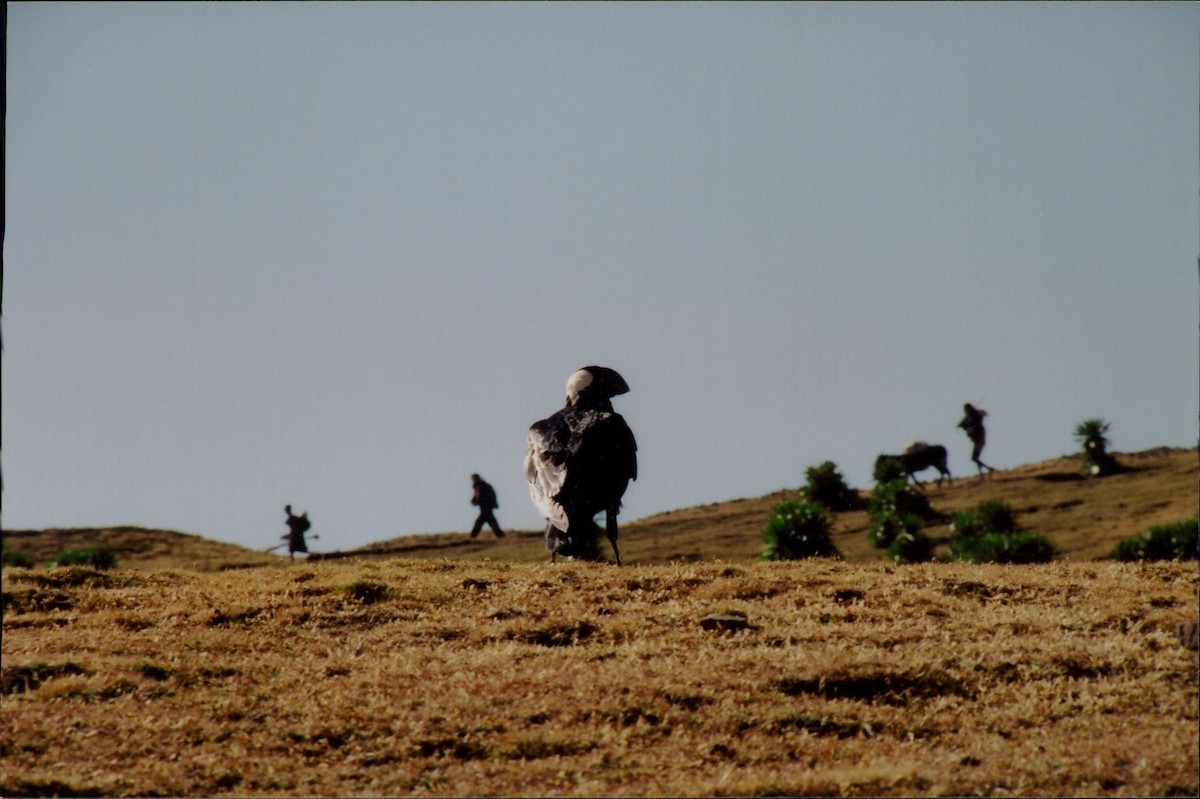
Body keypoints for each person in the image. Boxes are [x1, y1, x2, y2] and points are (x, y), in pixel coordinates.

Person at [957, 403, 996, 477]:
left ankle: (988, 469)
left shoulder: (974, 419)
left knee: (974, 458)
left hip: (979, 441)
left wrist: (964, 425)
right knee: (975, 458)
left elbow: (969, 425)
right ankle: (984, 471)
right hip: (979, 440)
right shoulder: (975, 417)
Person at [469, 474, 504, 539]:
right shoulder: (481, 486)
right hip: (486, 507)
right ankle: (500, 535)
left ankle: (472, 537)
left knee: (479, 522)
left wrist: (476, 501)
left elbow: (481, 497)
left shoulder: (481, 486)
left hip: (486, 507)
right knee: (491, 522)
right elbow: (477, 496)